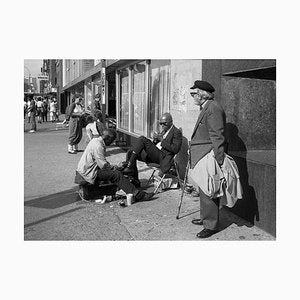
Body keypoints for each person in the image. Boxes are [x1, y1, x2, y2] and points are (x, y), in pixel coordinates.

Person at [189, 80, 227, 238]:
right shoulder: (207, 107)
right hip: (202, 154)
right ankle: (206, 218)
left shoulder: (213, 108)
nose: (193, 97)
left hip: (209, 155)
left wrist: (219, 161)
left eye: (194, 93)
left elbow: (218, 136)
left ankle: (211, 225)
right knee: (204, 190)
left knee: (209, 191)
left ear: (201, 94)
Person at [76, 128, 154, 204]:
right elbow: (103, 165)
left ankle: (129, 189)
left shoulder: (95, 140)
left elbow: (101, 162)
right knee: (116, 174)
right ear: (107, 138)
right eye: (112, 140)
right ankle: (138, 195)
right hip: (89, 172)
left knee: (115, 172)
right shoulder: (98, 146)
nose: (112, 142)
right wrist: (116, 167)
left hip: (86, 169)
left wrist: (115, 167)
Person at [122, 113, 182, 185]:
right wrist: (156, 139)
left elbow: (175, 149)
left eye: (164, 123)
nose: (162, 125)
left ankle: (129, 166)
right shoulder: (164, 130)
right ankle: (135, 180)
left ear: (171, 122)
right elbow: (157, 144)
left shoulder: (176, 132)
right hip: (155, 154)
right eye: (161, 123)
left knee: (142, 139)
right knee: (130, 152)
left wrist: (161, 140)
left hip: (162, 157)